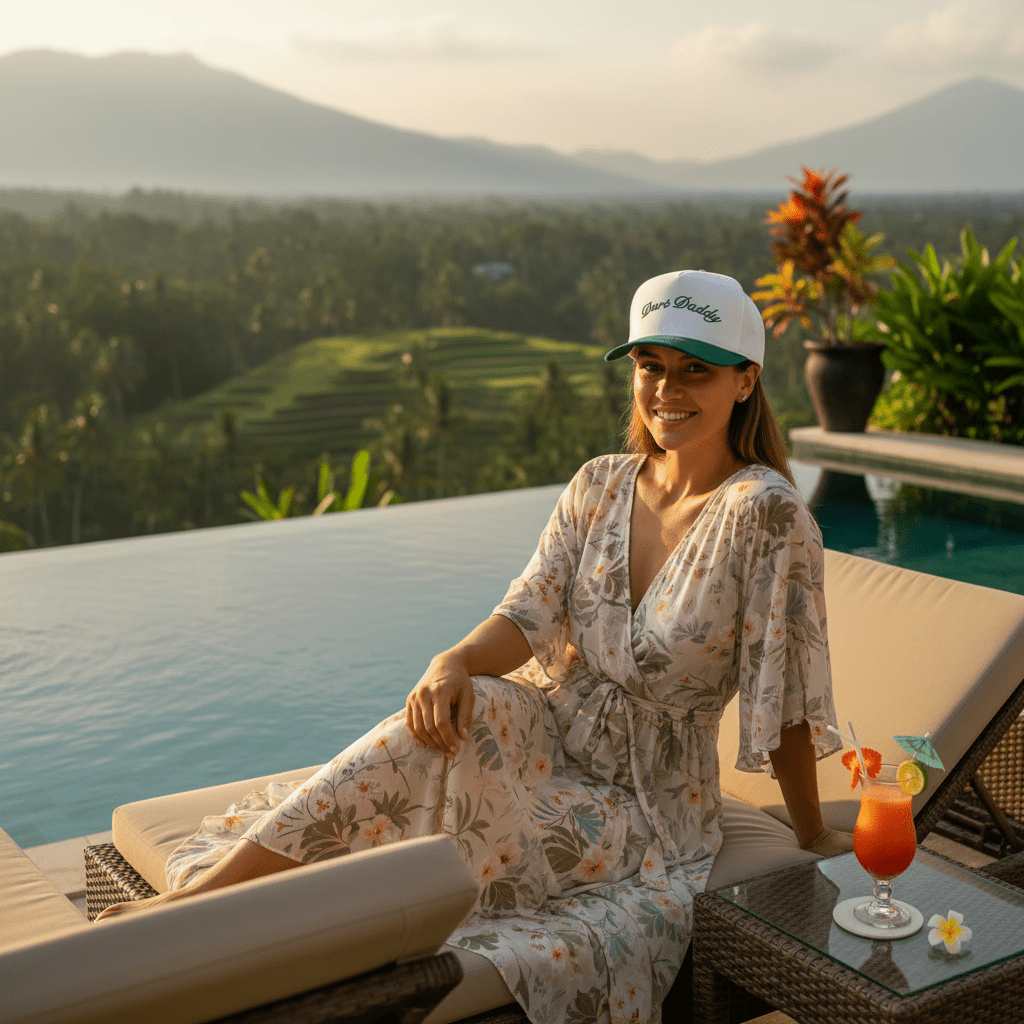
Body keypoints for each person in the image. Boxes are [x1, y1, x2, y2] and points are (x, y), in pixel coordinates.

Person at [98, 270, 852, 1024]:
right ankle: (198, 904)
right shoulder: (600, 485)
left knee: (467, 836)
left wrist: (811, 831)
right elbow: (527, 614)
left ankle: (301, 944)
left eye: (696, 369)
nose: (666, 389)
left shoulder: (767, 516)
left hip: (648, 799)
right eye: (650, 366)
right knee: (444, 722)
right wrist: (452, 661)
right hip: (547, 729)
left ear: (746, 380)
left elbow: (781, 694)